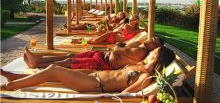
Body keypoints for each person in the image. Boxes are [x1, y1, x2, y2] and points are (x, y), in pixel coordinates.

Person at [0, 46, 175, 93]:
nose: (151, 52)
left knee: (54, 70)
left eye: (155, 53)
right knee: (56, 75)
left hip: (95, 83)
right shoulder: (141, 66)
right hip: (93, 75)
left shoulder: (146, 76)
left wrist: (105, 96)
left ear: (159, 59)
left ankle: (10, 87)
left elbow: (127, 94)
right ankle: (14, 77)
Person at [23, 37, 164, 70]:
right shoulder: (139, 44)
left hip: (103, 64)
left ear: (154, 48)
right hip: (102, 56)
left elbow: (117, 48)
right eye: (152, 38)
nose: (150, 40)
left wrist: (118, 47)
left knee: (69, 62)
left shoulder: (141, 51)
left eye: (154, 42)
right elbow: (119, 47)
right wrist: (118, 47)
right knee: (70, 56)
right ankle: (37, 60)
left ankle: (37, 64)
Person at [72, 15, 147, 45]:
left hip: (113, 41)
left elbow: (147, 29)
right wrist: (118, 31)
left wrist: (140, 21)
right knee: (94, 41)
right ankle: (79, 40)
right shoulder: (126, 25)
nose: (130, 21)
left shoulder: (136, 30)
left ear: (136, 21)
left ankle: (80, 40)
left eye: (132, 20)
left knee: (93, 43)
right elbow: (118, 31)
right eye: (130, 20)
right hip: (111, 35)